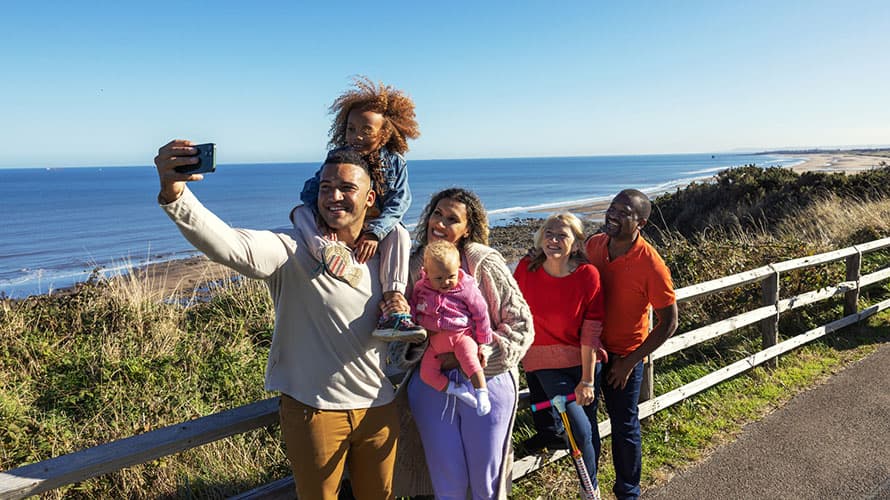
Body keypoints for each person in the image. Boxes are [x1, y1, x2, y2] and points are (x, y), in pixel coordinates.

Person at [154, 142, 399, 500]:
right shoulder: (293, 248)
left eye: (347, 188)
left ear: (370, 197)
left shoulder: (388, 256)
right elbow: (229, 245)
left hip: (379, 407)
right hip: (315, 412)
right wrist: (176, 195)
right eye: (326, 187)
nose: (334, 196)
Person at [388, 188, 535, 499]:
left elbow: (522, 326)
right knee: (446, 482)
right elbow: (398, 340)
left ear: (468, 228)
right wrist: (414, 341)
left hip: (486, 379)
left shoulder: (483, 262)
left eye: (452, 219)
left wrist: (475, 354)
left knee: (487, 482)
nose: (439, 223)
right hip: (431, 385)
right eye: (437, 214)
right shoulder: (413, 266)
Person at [295, 76, 425, 342]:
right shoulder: (339, 159)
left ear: (385, 133)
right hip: (340, 225)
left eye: (366, 130)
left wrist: (376, 232)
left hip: (375, 224)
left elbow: (400, 201)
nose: (356, 137)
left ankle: (393, 301)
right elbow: (311, 190)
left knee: (399, 233)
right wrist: (323, 216)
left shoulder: (395, 162)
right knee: (300, 212)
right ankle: (324, 251)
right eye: (351, 129)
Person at [585, 189, 679, 500]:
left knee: (624, 428)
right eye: (612, 207)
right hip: (590, 354)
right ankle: (591, 489)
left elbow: (669, 322)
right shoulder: (595, 245)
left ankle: (628, 493)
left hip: (624, 357)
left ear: (641, 222)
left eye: (623, 212)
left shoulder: (651, 264)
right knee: (586, 427)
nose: (612, 214)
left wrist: (629, 362)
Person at [514, 212, 606, 498]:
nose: (553, 240)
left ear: (576, 244)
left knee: (588, 428)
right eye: (548, 234)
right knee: (578, 428)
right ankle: (590, 491)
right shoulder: (526, 269)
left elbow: (591, 330)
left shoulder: (587, 275)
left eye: (562, 235)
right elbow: (507, 307)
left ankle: (591, 484)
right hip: (544, 363)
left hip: (585, 362)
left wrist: (588, 380)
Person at [412, 240, 493, 416]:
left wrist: (483, 341)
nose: (446, 282)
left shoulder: (466, 287)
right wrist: (413, 321)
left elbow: (481, 312)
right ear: (426, 273)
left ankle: (482, 393)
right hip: (434, 342)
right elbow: (413, 305)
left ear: (458, 267)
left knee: (470, 360)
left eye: (451, 276)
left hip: (461, 336)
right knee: (427, 374)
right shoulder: (421, 287)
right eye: (438, 278)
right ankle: (455, 389)